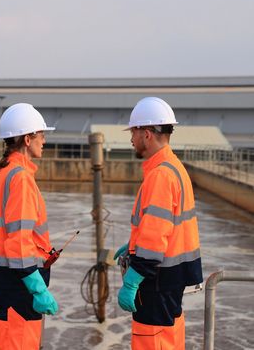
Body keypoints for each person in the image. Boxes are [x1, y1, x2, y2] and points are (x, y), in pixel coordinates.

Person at [114, 97, 203, 350]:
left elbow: (154, 241)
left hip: (155, 281)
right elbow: (164, 226)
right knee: (170, 339)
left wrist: (132, 281)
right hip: (170, 280)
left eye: (133, 131)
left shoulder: (160, 175)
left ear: (147, 134)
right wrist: (133, 243)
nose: (131, 138)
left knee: (152, 341)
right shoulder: (174, 167)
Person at [0, 102, 58, 350]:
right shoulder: (21, 179)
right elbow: (18, 241)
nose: (44, 141)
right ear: (28, 139)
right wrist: (37, 288)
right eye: (41, 135)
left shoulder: (0, 175)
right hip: (20, 291)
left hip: (2, 287)